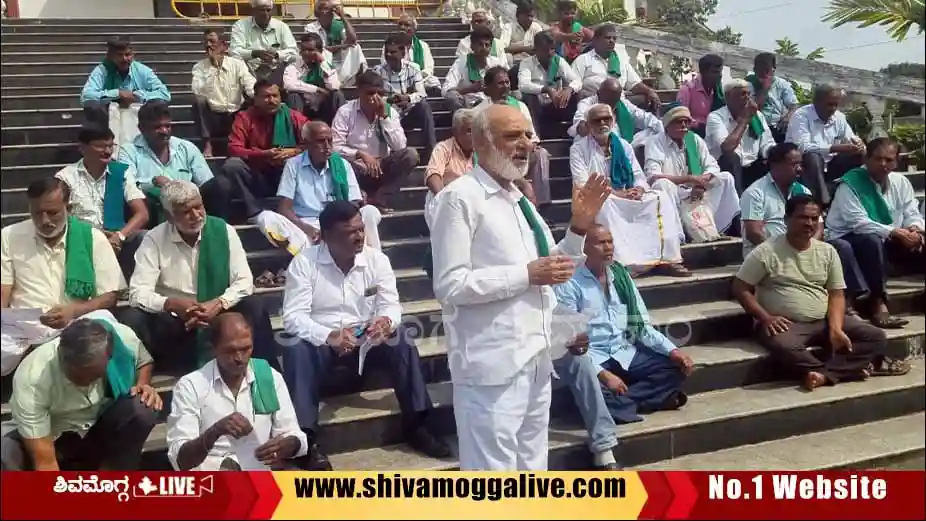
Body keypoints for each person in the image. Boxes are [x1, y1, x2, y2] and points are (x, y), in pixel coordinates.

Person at [430, 104, 609, 470]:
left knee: (532, 470)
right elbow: (450, 284)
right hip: (491, 368)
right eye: (512, 135)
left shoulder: (519, 200)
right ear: (481, 142)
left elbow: (553, 266)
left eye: (528, 135)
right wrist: (526, 275)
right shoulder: (460, 198)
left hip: (537, 361)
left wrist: (578, 227)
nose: (525, 144)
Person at [281, 201, 451, 470]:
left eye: (360, 229)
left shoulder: (376, 260)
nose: (359, 236)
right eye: (350, 232)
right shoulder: (304, 264)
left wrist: (386, 321)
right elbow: (292, 317)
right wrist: (328, 336)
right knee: (294, 348)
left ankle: (419, 425)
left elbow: (391, 305)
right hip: (324, 344)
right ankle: (305, 440)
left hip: (367, 340)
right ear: (326, 237)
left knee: (402, 337)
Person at [731, 195, 909, 392]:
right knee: (785, 347)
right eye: (803, 218)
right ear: (787, 220)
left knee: (875, 336)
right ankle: (846, 370)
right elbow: (740, 288)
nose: (809, 223)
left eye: (814, 219)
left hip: (824, 319)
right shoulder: (766, 252)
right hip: (786, 324)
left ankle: (824, 374)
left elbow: (836, 294)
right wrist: (765, 318)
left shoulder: (827, 251)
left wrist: (835, 328)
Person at [123, 181, 277, 372]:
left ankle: (268, 372)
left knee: (254, 305)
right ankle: (145, 377)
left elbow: (244, 281)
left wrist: (219, 303)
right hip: (178, 323)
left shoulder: (223, 231)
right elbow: (137, 293)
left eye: (199, 207)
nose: (196, 215)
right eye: (186, 212)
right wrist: (171, 304)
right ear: (170, 216)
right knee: (133, 316)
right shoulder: (154, 239)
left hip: (218, 315)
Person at [555, 225, 693, 424]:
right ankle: (647, 400)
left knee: (675, 368)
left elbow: (641, 327)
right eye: (601, 242)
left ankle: (620, 404)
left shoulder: (620, 276)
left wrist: (673, 351)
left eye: (610, 241)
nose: (608, 247)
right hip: (593, 357)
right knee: (592, 386)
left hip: (624, 351)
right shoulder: (570, 283)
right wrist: (604, 376)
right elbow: (570, 342)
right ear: (584, 248)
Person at [1, 316, 160, 471]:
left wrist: (142, 385)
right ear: (60, 355)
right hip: (53, 435)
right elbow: (45, 462)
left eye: (93, 375)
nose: (84, 382)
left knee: (143, 407)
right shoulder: (33, 379)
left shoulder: (121, 338)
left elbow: (143, 362)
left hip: (99, 426)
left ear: (110, 355)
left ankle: (110, 486)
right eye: (75, 375)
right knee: (5, 450)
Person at [166, 313, 308, 471]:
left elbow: (296, 436)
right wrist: (214, 432)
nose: (239, 358)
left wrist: (288, 444)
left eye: (246, 348)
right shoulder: (191, 385)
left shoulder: (268, 377)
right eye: (230, 351)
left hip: (259, 472)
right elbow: (180, 461)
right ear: (212, 349)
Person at [571, 104, 689, 278]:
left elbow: (638, 174)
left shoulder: (624, 145)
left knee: (660, 197)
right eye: (597, 120)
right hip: (600, 197)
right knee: (605, 204)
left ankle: (668, 259)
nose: (603, 123)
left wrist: (639, 189)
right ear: (588, 125)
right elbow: (583, 184)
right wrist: (616, 193)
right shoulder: (578, 149)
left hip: (626, 195)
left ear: (614, 121)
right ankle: (622, 264)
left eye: (607, 119)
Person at [825, 138, 925, 328]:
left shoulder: (900, 182)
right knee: (871, 240)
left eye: (889, 160)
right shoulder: (851, 183)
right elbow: (858, 223)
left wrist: (914, 229)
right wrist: (896, 232)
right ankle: (878, 303)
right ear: (866, 159)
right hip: (850, 238)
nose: (883, 165)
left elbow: (911, 211)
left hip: (887, 238)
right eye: (878, 159)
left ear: (896, 162)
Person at [1, 178, 125, 328]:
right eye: (37, 213)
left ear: (69, 208)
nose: (45, 220)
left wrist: (74, 311)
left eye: (52, 213)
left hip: (80, 324)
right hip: (26, 328)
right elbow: (3, 295)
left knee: (109, 325)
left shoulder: (93, 238)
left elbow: (110, 295)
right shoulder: (9, 236)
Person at [54, 125, 148, 280]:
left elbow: (142, 214)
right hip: (82, 238)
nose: (108, 151)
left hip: (116, 239)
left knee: (142, 237)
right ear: (83, 148)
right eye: (100, 146)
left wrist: (119, 236)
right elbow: (60, 216)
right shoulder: (66, 177)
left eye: (111, 146)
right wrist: (95, 236)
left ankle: (131, 285)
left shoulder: (121, 172)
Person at [119, 101, 234, 223]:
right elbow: (128, 187)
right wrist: (154, 185)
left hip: (188, 204)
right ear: (141, 128)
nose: (164, 131)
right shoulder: (128, 151)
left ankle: (219, 228)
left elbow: (205, 183)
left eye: (167, 126)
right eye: (157, 127)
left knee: (220, 185)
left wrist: (173, 186)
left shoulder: (186, 147)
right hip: (153, 210)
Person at [277, 121, 383, 249]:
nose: (327, 146)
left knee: (370, 211)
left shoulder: (342, 164)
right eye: (321, 141)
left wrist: (337, 225)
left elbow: (353, 203)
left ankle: (373, 259)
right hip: (306, 222)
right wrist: (308, 229)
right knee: (266, 219)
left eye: (330, 141)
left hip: (338, 219)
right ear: (307, 143)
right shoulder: (293, 165)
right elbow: (284, 209)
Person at [646, 104, 741, 239]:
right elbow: (653, 176)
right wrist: (690, 179)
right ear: (668, 124)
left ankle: (714, 229)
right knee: (661, 185)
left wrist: (700, 183)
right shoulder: (655, 142)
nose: (684, 125)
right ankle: (679, 235)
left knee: (726, 178)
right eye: (679, 121)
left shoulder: (694, 139)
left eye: (687, 121)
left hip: (697, 189)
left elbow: (712, 166)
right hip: (675, 192)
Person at [331, 70, 419, 214]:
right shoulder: (345, 112)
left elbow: (400, 146)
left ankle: (380, 197)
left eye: (379, 93)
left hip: (381, 166)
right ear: (359, 92)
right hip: (356, 167)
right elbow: (335, 146)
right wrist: (360, 155)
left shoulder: (390, 112)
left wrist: (384, 117)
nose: (375, 98)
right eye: (370, 93)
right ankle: (359, 196)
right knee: (337, 162)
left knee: (411, 155)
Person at [222, 79, 310, 222]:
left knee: (309, 158)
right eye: (266, 97)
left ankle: (296, 208)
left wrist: (293, 152)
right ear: (255, 99)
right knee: (232, 165)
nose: (272, 100)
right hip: (258, 175)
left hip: (286, 174)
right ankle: (254, 211)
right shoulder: (244, 117)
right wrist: (263, 154)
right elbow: (233, 148)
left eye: (275, 96)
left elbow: (313, 140)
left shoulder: (293, 116)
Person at [477, 66, 550, 207]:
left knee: (541, 154)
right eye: (500, 83)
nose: (505, 86)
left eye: (507, 82)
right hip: (497, 155)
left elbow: (532, 137)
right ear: (489, 88)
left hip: (522, 150)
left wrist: (529, 145)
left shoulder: (521, 106)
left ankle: (542, 204)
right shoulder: (481, 111)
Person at [80, 37, 171, 147]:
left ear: (133, 55)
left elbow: (164, 94)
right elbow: (86, 96)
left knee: (159, 103)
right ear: (110, 56)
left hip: (138, 112)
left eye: (127, 55)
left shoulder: (142, 70)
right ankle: (102, 144)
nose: (124, 59)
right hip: (108, 114)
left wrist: (137, 96)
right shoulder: (101, 70)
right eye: (119, 55)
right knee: (92, 105)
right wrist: (117, 94)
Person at [785, 84, 865, 207]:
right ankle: (823, 203)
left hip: (831, 165)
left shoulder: (839, 117)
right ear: (816, 102)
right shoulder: (801, 116)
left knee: (859, 155)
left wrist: (858, 145)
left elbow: (851, 138)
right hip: (805, 167)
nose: (833, 108)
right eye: (829, 104)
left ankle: (855, 198)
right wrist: (835, 148)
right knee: (813, 157)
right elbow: (803, 147)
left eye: (836, 104)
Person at [740, 142, 815, 259]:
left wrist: (809, 250)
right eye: (794, 164)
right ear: (775, 166)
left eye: (800, 164)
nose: (799, 169)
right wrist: (782, 254)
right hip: (764, 257)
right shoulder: (755, 192)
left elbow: (818, 225)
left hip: (798, 255)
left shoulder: (803, 191)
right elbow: (754, 233)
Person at [192, 28, 256, 158]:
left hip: (235, 114)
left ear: (224, 45)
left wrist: (257, 95)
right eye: (205, 42)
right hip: (213, 116)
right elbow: (197, 89)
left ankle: (248, 144)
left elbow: (249, 84)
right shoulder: (199, 67)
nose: (208, 45)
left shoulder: (237, 64)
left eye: (212, 41)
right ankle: (207, 145)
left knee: (255, 100)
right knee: (198, 101)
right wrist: (212, 69)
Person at [705, 79, 776, 193]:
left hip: (752, 166)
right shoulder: (716, 117)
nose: (748, 98)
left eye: (749, 94)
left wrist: (774, 153)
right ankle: (737, 206)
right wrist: (745, 119)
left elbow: (767, 144)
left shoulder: (757, 116)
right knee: (731, 158)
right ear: (728, 97)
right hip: (725, 168)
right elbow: (727, 148)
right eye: (743, 94)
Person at [373, 32, 438, 152]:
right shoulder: (378, 71)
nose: (388, 55)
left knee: (424, 105)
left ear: (403, 53)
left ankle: (432, 150)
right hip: (388, 115)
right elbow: (374, 97)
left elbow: (421, 94)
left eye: (393, 52)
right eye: (386, 52)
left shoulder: (413, 68)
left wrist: (407, 98)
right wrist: (391, 99)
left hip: (408, 114)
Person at [571, 24, 660, 110]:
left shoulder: (621, 61)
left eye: (614, 38)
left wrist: (650, 91)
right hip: (594, 104)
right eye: (607, 38)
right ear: (596, 40)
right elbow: (574, 83)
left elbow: (634, 84)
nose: (611, 41)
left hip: (620, 103)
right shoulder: (583, 60)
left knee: (648, 102)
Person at [569, 78, 662, 153]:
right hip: (599, 147)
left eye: (614, 100)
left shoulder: (623, 104)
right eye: (607, 100)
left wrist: (662, 130)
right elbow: (579, 124)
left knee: (655, 130)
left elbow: (646, 118)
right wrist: (589, 124)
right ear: (598, 93)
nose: (610, 105)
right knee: (581, 138)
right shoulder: (586, 104)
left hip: (625, 146)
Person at [518, 31, 581, 140]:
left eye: (552, 49)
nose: (549, 53)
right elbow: (523, 85)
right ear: (536, 49)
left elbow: (577, 80)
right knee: (530, 97)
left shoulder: (558, 61)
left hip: (556, 103)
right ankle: (536, 138)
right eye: (545, 50)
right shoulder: (527, 63)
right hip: (537, 106)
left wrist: (569, 89)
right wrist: (545, 89)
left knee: (576, 94)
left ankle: (575, 135)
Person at [229, 0, 298, 85]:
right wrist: (254, 53)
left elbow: (294, 52)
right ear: (253, 11)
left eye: (268, 10)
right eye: (261, 10)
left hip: (278, 73)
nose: (265, 14)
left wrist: (277, 55)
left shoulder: (282, 26)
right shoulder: (240, 25)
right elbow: (234, 51)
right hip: (249, 74)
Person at [283, 32, 346, 124]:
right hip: (303, 107)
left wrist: (323, 63)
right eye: (303, 49)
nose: (305, 53)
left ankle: (339, 130)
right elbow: (289, 85)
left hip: (323, 107)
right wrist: (317, 89)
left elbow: (333, 86)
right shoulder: (293, 67)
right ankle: (298, 132)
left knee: (337, 95)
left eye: (310, 50)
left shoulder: (327, 66)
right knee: (293, 96)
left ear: (320, 51)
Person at [443, 25, 508, 113]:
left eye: (487, 45)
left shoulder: (496, 63)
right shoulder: (461, 63)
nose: (484, 48)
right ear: (472, 46)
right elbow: (446, 90)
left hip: (493, 104)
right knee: (451, 97)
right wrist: (470, 89)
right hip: (468, 107)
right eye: (480, 44)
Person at [304, 0, 367, 88]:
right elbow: (318, 49)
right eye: (326, 8)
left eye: (332, 8)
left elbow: (353, 40)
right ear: (318, 12)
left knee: (355, 47)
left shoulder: (338, 25)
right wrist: (342, 46)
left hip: (338, 59)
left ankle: (356, 81)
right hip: (320, 60)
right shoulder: (310, 28)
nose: (331, 10)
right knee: (322, 52)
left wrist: (343, 17)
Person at [746, 52, 799, 143]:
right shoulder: (749, 83)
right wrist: (764, 89)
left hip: (777, 125)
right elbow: (755, 109)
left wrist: (787, 117)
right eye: (760, 70)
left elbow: (794, 106)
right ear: (755, 70)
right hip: (756, 124)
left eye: (767, 71)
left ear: (773, 70)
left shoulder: (782, 84)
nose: (764, 74)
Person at [386, 13, 440, 91]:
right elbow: (386, 66)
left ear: (414, 29)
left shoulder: (423, 46)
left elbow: (429, 69)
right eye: (400, 24)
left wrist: (414, 78)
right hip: (396, 80)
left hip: (418, 80)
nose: (402, 27)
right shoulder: (389, 45)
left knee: (434, 82)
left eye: (407, 25)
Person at [676, 54, 725, 137]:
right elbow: (680, 116)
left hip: (714, 133)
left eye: (720, 71)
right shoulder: (687, 90)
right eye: (715, 72)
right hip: (693, 135)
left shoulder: (718, 91)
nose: (719, 75)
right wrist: (699, 125)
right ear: (703, 72)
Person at [504, 3, 544, 90]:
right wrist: (525, 48)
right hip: (513, 66)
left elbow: (541, 46)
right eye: (528, 16)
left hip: (531, 64)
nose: (530, 19)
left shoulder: (536, 27)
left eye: (532, 16)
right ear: (518, 16)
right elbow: (503, 48)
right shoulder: (509, 27)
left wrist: (515, 48)